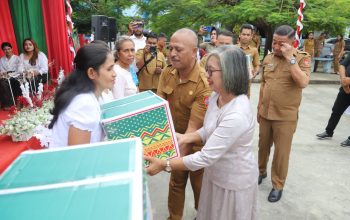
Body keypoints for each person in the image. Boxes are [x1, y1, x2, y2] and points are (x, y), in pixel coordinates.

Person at [147, 45, 258, 220]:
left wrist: (164, 164)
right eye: (207, 70)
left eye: (211, 71)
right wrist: (185, 137)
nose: (207, 76)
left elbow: (204, 157)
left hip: (232, 181)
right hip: (215, 173)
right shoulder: (217, 96)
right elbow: (209, 129)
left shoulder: (237, 114)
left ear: (229, 73)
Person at [157, 28, 212, 220]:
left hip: (197, 145)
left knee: (201, 190)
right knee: (176, 184)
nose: (172, 53)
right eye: (170, 48)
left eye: (178, 49)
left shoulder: (204, 83)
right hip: (175, 141)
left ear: (194, 50)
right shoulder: (167, 72)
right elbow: (159, 112)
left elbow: (192, 130)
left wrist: (166, 162)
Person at [257, 25, 311, 202]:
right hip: (266, 113)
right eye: (274, 42)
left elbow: (303, 82)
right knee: (263, 147)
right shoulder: (269, 58)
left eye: (282, 44)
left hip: (285, 117)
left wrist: (291, 59)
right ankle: (260, 171)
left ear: (292, 43)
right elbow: (264, 84)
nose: (276, 47)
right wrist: (259, 107)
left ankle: (277, 185)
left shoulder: (302, 59)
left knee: (281, 153)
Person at [48, 43, 116, 148]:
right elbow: (78, 156)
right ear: (92, 73)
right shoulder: (84, 103)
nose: (114, 74)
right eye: (109, 69)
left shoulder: (88, 97)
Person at [316, 54, 350, 147]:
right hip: (345, 87)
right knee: (336, 110)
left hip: (348, 83)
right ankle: (328, 131)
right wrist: (343, 80)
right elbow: (343, 65)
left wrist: (349, 81)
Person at [0, 42, 20, 109]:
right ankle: (6, 103)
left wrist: (10, 74)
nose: (7, 51)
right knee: (2, 81)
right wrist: (4, 74)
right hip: (5, 76)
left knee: (4, 83)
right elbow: (2, 70)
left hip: (16, 76)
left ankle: (11, 103)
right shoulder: (2, 59)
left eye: (8, 49)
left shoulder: (17, 58)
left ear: (11, 49)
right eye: (5, 49)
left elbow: (19, 70)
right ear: (3, 50)